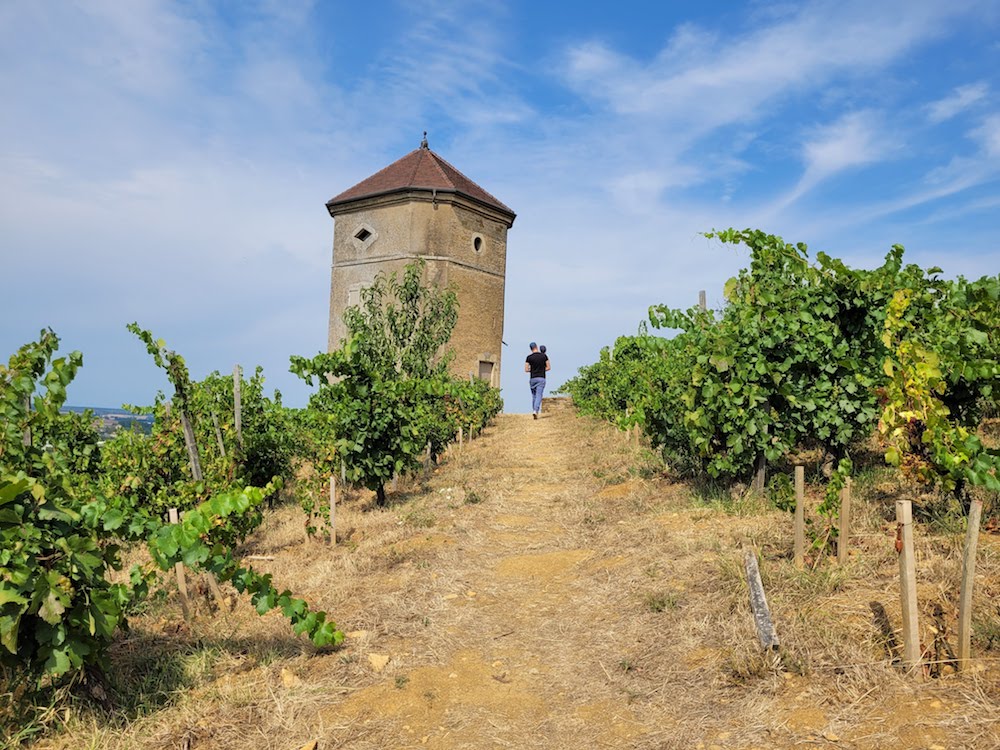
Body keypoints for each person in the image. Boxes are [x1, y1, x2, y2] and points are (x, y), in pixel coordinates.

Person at [524, 342, 550, 419]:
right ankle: (535, 410)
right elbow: (548, 367)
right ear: (537, 347)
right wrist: (542, 369)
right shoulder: (544, 356)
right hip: (541, 378)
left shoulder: (529, 357)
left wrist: (532, 370)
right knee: (539, 395)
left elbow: (526, 369)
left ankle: (534, 411)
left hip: (532, 379)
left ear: (531, 348)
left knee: (534, 396)